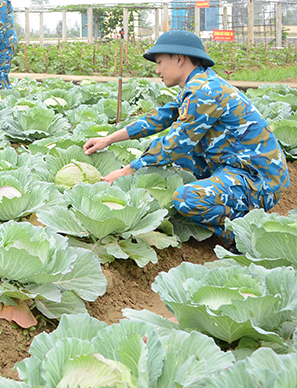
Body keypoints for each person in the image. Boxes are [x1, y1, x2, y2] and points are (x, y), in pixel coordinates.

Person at [83, 30, 289, 247]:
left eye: (160, 62)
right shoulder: (199, 84)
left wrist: (127, 171)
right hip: (234, 166)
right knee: (175, 165)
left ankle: (241, 236)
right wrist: (108, 139)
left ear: (179, 59)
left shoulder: (205, 92)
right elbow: (159, 118)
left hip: (258, 181)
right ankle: (222, 201)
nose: (157, 70)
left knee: (185, 198)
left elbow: (174, 145)